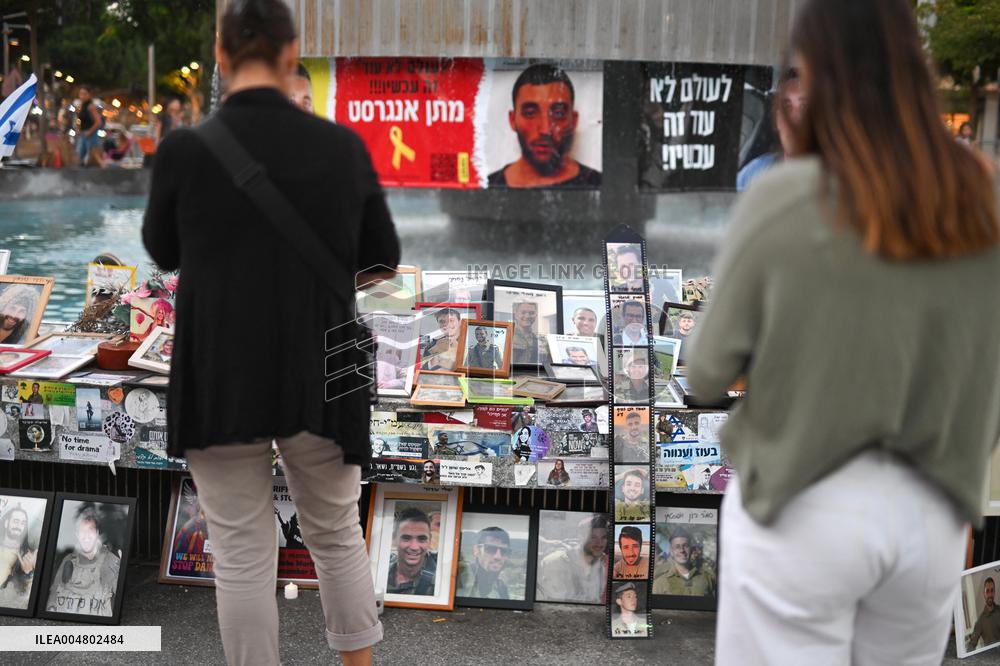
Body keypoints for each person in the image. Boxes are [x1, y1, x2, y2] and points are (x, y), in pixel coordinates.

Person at [687, 1, 1000, 663]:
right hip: (933, 510)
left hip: (803, 498)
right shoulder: (981, 194)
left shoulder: (787, 193)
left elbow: (708, 367)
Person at [142, 1, 399, 663]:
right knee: (336, 532)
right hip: (328, 361)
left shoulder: (185, 151)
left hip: (221, 367)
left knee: (240, 550)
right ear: (290, 56)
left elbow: (163, 252)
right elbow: (383, 257)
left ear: (221, 57)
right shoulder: (342, 148)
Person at [487, 64, 601, 188]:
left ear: (573, 121)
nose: (545, 130)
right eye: (530, 113)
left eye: (558, 114)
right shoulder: (486, 186)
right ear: (513, 120)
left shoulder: (599, 184)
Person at [736, 68, 806, 191]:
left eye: (804, 107)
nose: (794, 118)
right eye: (787, 107)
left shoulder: (837, 178)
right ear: (778, 119)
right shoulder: (755, 173)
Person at [46, 506, 120, 617]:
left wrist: (121, 571)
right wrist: (51, 610)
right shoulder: (68, 560)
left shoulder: (110, 560)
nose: (86, 535)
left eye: (90, 530)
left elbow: (119, 595)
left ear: (97, 533)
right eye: (82, 531)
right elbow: (54, 591)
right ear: (77, 535)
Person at [537, 514, 608, 603]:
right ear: (581, 537)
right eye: (593, 537)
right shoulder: (556, 562)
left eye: (603, 537)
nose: (599, 543)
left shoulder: (601, 566)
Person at [652, 528, 716, 597]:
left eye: (685, 546)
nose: (682, 550)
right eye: (677, 547)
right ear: (671, 552)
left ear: (691, 550)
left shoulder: (707, 578)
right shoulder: (659, 583)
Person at [386, 508, 436, 596]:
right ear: (394, 538)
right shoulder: (380, 570)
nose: (414, 547)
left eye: (422, 539)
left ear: (430, 540)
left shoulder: (440, 582)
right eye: (406, 538)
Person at [456, 526, 511, 599]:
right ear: (476, 550)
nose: (498, 557)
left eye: (504, 551)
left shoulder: (501, 588)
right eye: (491, 549)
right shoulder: (459, 577)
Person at [0, 505, 36, 607]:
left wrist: (27, 573)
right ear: (6, 523)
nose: (19, 526)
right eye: (16, 521)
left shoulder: (30, 556)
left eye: (23, 523)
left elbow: (27, 598)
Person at [968, 577, 1000, 651]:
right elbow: (971, 645)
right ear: (984, 594)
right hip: (992, 657)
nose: (990, 594)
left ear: (994, 592)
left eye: (992, 590)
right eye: (987, 591)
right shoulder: (980, 622)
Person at [75, 87, 103, 166]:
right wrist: (78, 128)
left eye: (85, 94)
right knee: (80, 155)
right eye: (81, 94)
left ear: (89, 95)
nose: (82, 96)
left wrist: (90, 132)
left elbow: (98, 122)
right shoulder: (82, 105)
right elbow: (80, 119)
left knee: (92, 157)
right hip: (83, 133)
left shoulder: (91, 106)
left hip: (91, 134)